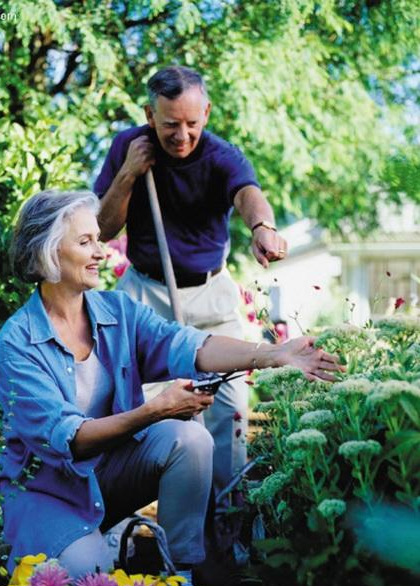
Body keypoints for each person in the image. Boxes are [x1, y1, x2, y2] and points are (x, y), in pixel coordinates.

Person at [0, 189, 341, 586]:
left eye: (98, 240)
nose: (101, 252)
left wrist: (273, 354)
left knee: (188, 440)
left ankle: (182, 579)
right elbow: (71, 441)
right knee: (90, 581)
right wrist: (152, 411)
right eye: (85, 242)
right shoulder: (18, 342)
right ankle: (81, 545)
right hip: (51, 492)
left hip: (109, 475)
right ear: (47, 252)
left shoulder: (117, 311)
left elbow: (189, 346)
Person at [94, 65, 286, 499]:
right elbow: (103, 230)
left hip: (210, 294)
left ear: (207, 113)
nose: (182, 135)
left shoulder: (221, 155)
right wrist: (128, 173)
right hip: (144, 292)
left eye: (192, 124)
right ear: (149, 114)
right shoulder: (128, 146)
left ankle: (226, 518)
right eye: (170, 125)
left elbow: (248, 194)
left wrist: (263, 228)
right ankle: (125, 513)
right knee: (133, 404)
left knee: (230, 407)